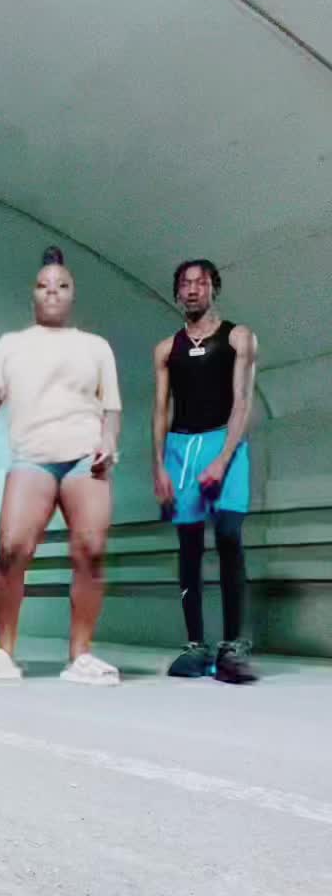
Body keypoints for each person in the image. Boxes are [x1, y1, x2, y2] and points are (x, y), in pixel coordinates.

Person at [0, 247, 122, 683]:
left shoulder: (95, 346)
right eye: (44, 285)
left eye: (62, 285)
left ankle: (81, 655)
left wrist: (109, 440)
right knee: (11, 549)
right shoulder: (11, 345)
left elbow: (111, 408)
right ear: (33, 294)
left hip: (84, 456)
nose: (52, 292)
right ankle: (4, 651)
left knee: (91, 550)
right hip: (32, 456)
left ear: (73, 294)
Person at [152, 258, 258, 683]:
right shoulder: (166, 349)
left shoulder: (238, 337)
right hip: (181, 448)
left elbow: (243, 402)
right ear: (178, 292)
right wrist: (159, 466)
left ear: (213, 288)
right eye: (185, 284)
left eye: (200, 282)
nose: (192, 289)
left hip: (224, 441)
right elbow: (160, 411)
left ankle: (233, 645)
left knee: (229, 534)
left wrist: (223, 458)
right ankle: (195, 644)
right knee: (189, 545)